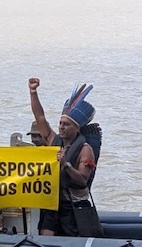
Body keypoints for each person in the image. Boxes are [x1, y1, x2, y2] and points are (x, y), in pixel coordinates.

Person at [28, 78, 98, 236]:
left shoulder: (85, 150)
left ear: (76, 128)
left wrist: (66, 164)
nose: (61, 127)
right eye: (60, 123)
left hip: (71, 206)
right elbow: (40, 117)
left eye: (66, 124)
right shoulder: (53, 140)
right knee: (46, 236)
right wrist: (33, 92)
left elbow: (82, 180)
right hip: (52, 202)